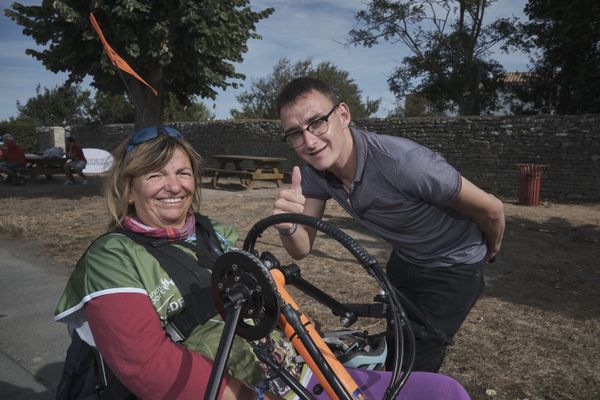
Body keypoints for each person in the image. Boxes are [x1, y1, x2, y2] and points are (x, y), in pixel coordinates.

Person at [54, 125, 471, 400]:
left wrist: (319, 357)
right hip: (244, 390)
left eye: (183, 173)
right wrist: (255, 395)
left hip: (297, 372)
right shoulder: (111, 258)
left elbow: (273, 310)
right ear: (128, 188)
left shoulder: (214, 234)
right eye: (155, 175)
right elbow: (149, 370)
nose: (174, 186)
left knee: (443, 391)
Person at [272, 77, 505, 373]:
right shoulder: (316, 171)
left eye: (317, 122)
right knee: (398, 341)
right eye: (295, 133)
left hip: (453, 267)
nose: (309, 141)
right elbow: (302, 248)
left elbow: (492, 209)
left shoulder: (405, 163)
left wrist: (491, 249)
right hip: (405, 259)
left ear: (343, 115)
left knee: (419, 358)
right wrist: (289, 228)